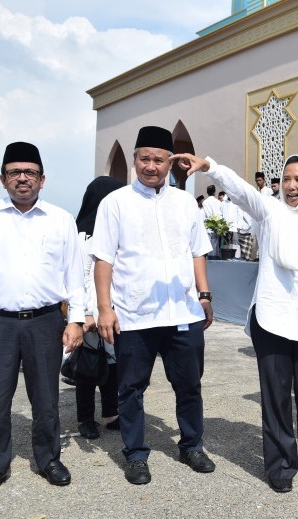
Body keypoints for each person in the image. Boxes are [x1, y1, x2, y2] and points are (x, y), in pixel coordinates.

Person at [173, 151, 298, 495]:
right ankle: (281, 464)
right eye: (287, 179)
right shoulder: (271, 212)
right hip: (272, 317)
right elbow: (240, 190)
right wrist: (210, 166)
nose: (292, 186)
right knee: (277, 396)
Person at [93, 126, 216, 485]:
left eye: (158, 159)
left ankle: (192, 445)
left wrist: (204, 295)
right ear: (134, 160)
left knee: (189, 385)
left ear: (169, 162)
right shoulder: (115, 203)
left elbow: (197, 253)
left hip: (183, 313)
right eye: (144, 158)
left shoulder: (184, 204)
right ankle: (135, 453)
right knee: (131, 388)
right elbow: (104, 259)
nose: (151, 166)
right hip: (134, 315)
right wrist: (104, 308)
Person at [0, 142, 84, 496]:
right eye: (14, 172)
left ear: (42, 179)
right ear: (3, 179)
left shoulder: (61, 219)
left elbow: (73, 275)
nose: (22, 178)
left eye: (29, 172)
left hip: (45, 322)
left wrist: (76, 319)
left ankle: (48, 458)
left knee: (46, 396)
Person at [74, 176, 125, 439]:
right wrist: (84, 313)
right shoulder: (84, 235)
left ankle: (111, 413)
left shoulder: (117, 232)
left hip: (115, 311)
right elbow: (79, 277)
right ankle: (85, 418)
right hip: (91, 313)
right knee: (88, 368)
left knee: (112, 364)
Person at [202, 184, 222, 258]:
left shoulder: (205, 202)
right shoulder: (218, 202)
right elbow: (220, 214)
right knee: (215, 244)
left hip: (208, 225)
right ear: (214, 192)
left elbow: (206, 214)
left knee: (208, 243)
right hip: (217, 224)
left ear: (207, 192)